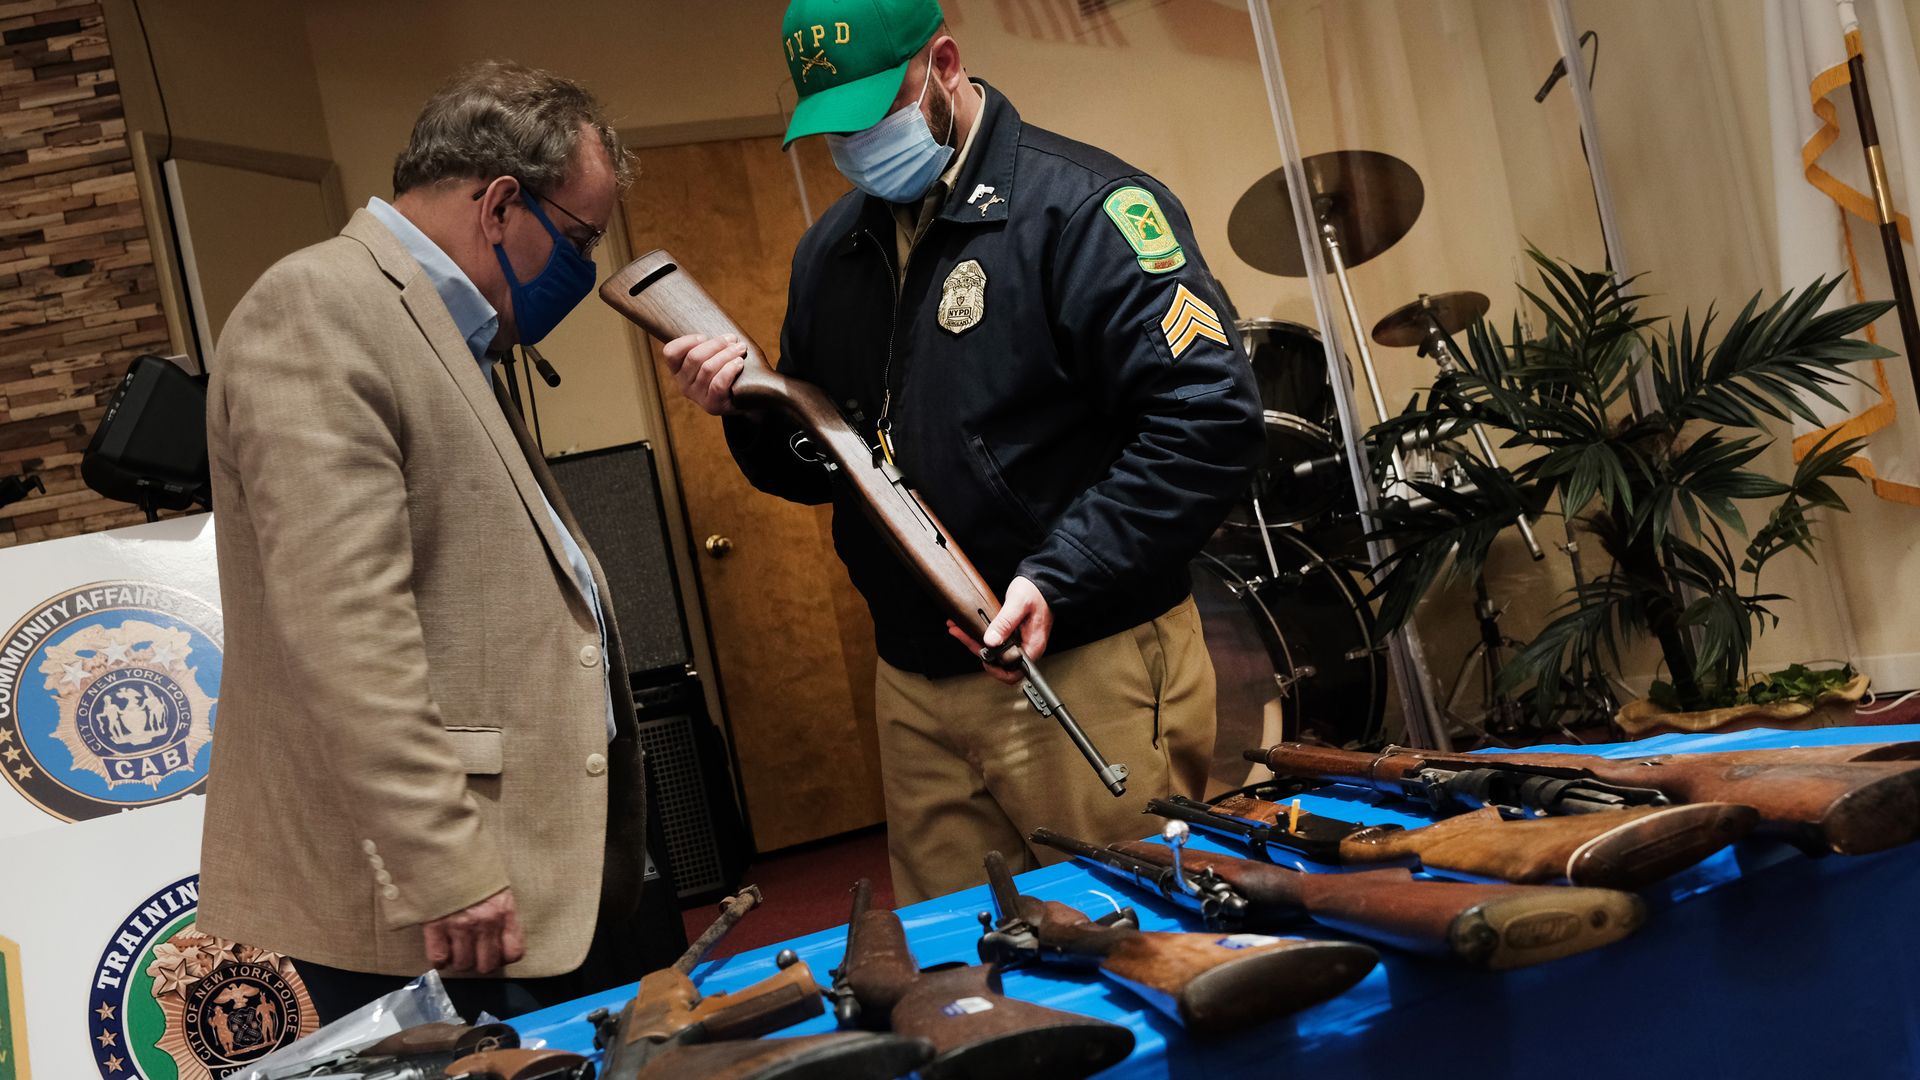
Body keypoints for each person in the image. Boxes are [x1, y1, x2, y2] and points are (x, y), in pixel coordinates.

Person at [665, 0, 1264, 902]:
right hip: (916, 678)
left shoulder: (1086, 208)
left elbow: (1207, 420)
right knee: (962, 973)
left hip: (1079, 653)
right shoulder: (832, 252)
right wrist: (745, 408)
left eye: (875, 112)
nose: (857, 143)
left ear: (945, 62)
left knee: (1137, 931)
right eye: (835, 126)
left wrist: (1063, 572)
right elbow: (829, 463)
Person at [198, 60, 649, 1020]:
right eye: (578, 238)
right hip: (444, 904)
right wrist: (442, 859)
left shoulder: (448, 324)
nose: (584, 269)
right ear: (497, 204)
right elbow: (344, 622)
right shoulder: (321, 307)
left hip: (533, 873)